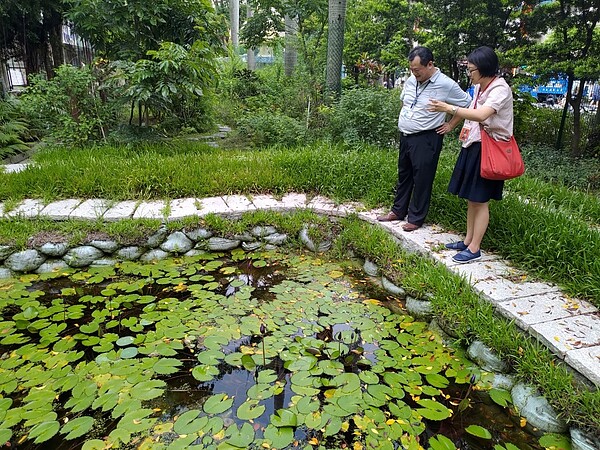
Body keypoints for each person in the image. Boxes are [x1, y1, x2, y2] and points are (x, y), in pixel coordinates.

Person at [428, 46, 513, 263]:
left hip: (489, 149)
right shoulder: (480, 88)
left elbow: (481, 114)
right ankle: (467, 240)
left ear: (483, 69)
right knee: (471, 198)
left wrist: (448, 108)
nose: (469, 73)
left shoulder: (499, 90)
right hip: (473, 145)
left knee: (480, 199)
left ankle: (475, 248)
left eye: (471, 69)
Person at [377, 46, 472, 232]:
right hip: (406, 136)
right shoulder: (411, 81)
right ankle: (398, 210)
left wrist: (451, 124)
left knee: (422, 178)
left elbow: (467, 104)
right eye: (412, 70)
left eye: (417, 70)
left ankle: (416, 218)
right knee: (404, 175)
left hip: (427, 137)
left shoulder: (446, 84)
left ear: (430, 65)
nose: (414, 74)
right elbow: (406, 101)